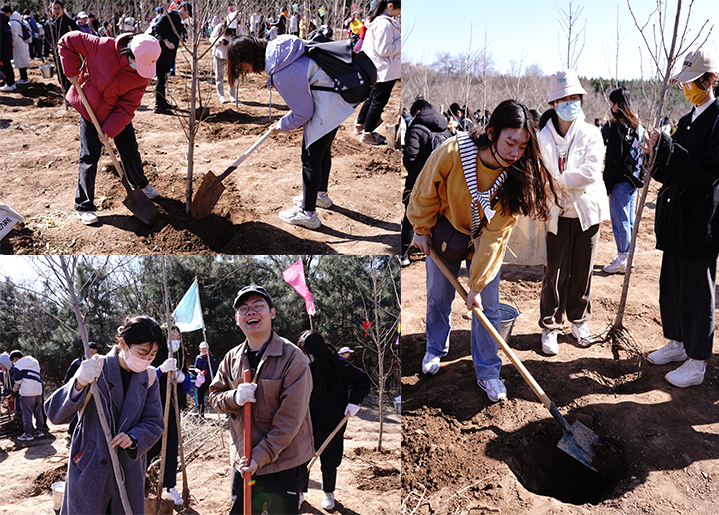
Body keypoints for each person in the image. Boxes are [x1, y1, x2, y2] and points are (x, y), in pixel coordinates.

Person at [407, 99, 558, 402]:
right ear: (491, 133)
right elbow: (425, 189)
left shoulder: (515, 177)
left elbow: (495, 235)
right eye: (510, 142)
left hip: (483, 241)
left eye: (522, 146)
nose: (515, 153)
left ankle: (488, 371)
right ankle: (435, 348)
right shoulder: (453, 151)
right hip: (446, 233)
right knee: (439, 296)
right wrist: (421, 229)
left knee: (487, 307)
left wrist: (477, 284)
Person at [227, 34, 358, 230]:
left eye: (242, 66)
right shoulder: (281, 48)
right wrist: (284, 120)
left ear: (249, 57)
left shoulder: (281, 73)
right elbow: (304, 94)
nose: (246, 70)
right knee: (322, 153)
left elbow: (304, 112)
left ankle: (308, 214)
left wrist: (282, 125)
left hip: (329, 103)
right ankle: (320, 195)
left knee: (311, 158)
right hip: (336, 96)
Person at [644, 48, 719, 388]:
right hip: (676, 220)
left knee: (696, 292)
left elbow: (706, 174)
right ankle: (676, 342)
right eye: (684, 83)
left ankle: (697, 359)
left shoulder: (718, 120)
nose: (687, 88)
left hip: (701, 223)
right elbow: (672, 174)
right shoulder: (688, 120)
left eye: (693, 82)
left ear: (710, 80)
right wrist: (658, 156)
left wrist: (670, 151)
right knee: (671, 286)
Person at [208, 285, 314, 515]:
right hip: (244, 460)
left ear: (272, 312)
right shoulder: (231, 359)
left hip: (283, 461)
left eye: (258, 306)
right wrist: (233, 397)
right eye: (244, 309)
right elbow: (214, 397)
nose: (251, 312)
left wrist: (259, 456)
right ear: (237, 319)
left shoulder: (293, 357)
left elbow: (290, 419)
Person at [45, 316, 165, 515]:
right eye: (142, 353)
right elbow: (55, 415)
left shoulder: (149, 378)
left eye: (152, 355)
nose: (146, 360)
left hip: (129, 473)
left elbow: (154, 422)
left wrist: (134, 437)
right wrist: (78, 383)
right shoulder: (95, 369)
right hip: (91, 469)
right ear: (123, 344)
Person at [537, 70, 609, 355]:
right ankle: (550, 325)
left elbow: (590, 173)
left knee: (582, 270)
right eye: (564, 99)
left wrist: (556, 182)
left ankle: (579, 321)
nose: (570, 104)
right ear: (554, 104)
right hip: (556, 213)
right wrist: (557, 183)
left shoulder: (592, 133)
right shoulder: (542, 137)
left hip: (586, 214)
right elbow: (541, 173)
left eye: (575, 98)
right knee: (553, 273)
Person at [58, 30, 162, 225]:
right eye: (136, 62)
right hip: (90, 110)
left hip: (117, 114)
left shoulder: (142, 74)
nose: (137, 68)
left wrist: (110, 129)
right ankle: (84, 206)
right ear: (129, 53)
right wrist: (71, 71)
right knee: (89, 157)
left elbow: (128, 106)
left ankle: (140, 184)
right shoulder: (102, 47)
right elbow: (67, 41)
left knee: (130, 151)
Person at [297, 331, 370, 510]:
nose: (306, 357)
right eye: (303, 353)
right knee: (301, 460)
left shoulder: (337, 365)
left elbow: (362, 380)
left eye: (308, 353)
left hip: (333, 423)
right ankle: (299, 493)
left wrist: (354, 402)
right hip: (306, 423)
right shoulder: (300, 366)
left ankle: (329, 493)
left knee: (330, 460)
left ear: (318, 351)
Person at [401, 96, 451, 265]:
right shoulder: (445, 128)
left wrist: (414, 172)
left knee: (411, 214)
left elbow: (410, 156)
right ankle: (433, 250)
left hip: (417, 180)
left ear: (417, 112)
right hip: (443, 180)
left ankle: (403, 254)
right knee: (437, 214)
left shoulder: (416, 128)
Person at [147, 326, 193, 506]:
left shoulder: (180, 357)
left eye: (178, 336)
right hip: (151, 411)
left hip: (173, 412)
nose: (175, 339)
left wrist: (183, 379)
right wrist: (160, 370)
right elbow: (142, 380)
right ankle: (136, 480)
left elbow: (188, 388)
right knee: (147, 448)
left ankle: (169, 487)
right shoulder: (153, 353)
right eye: (171, 336)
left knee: (171, 448)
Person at [601, 87, 645, 274]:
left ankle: (622, 258)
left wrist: (607, 184)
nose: (611, 107)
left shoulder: (616, 126)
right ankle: (628, 256)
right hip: (633, 179)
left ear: (617, 105)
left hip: (619, 180)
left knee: (620, 220)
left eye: (611, 103)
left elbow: (613, 159)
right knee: (629, 219)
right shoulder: (637, 125)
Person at [354, 0, 401, 145]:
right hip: (384, 70)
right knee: (378, 102)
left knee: (372, 99)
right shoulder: (384, 24)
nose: (400, 12)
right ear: (390, 5)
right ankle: (367, 134)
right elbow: (384, 50)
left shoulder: (378, 21)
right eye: (399, 8)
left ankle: (360, 125)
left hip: (377, 68)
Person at [150, 1, 190, 114]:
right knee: (161, 79)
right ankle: (158, 105)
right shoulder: (172, 15)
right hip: (162, 53)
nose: (187, 16)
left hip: (168, 55)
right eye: (188, 13)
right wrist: (166, 41)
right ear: (183, 9)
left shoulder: (177, 19)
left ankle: (163, 102)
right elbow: (158, 27)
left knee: (163, 79)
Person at [0, 350, 44, 441]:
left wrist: (14, 389)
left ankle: (28, 433)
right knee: (38, 412)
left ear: (15, 358)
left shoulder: (18, 365)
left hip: (26, 392)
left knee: (26, 413)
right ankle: (40, 430)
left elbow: (17, 380)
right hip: (38, 390)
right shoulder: (34, 362)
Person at [62, 341, 99, 441]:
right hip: (78, 392)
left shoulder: (97, 363)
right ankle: (71, 434)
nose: (91, 355)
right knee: (74, 413)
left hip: (91, 394)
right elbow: (68, 379)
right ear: (84, 351)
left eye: (93, 353)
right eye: (89, 352)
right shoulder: (77, 363)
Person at [43, 0, 78, 94]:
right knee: (60, 74)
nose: (56, 10)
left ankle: (74, 93)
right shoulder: (49, 24)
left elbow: (78, 38)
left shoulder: (70, 23)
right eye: (54, 8)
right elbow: (46, 40)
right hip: (56, 53)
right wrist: (45, 53)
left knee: (71, 74)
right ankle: (66, 92)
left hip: (70, 53)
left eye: (58, 8)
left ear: (63, 9)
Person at [2, 6, 30, 86]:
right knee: (21, 62)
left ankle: (24, 79)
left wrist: (11, 45)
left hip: (18, 45)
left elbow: (13, 36)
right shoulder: (17, 19)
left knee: (20, 62)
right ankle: (23, 78)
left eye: (4, 13)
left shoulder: (13, 22)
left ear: (8, 13)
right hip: (21, 43)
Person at [211, 20, 237, 103]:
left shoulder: (238, 28)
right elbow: (211, 39)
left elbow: (243, 40)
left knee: (232, 76)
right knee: (219, 76)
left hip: (231, 56)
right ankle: (221, 95)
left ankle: (232, 95)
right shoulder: (219, 27)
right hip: (219, 55)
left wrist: (233, 44)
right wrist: (219, 40)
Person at [193, 340, 217, 415]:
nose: (204, 350)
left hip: (209, 380)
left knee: (213, 395)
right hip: (201, 380)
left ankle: (220, 411)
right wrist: (198, 371)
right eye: (202, 348)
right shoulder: (198, 357)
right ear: (199, 349)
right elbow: (195, 367)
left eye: (205, 348)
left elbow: (215, 368)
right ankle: (201, 413)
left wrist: (206, 372)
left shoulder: (211, 357)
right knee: (200, 395)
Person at [0, 6, 14, 92]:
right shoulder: (5, 23)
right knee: (8, 67)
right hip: (7, 50)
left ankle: (9, 84)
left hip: (2, 51)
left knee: (5, 68)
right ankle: (12, 83)